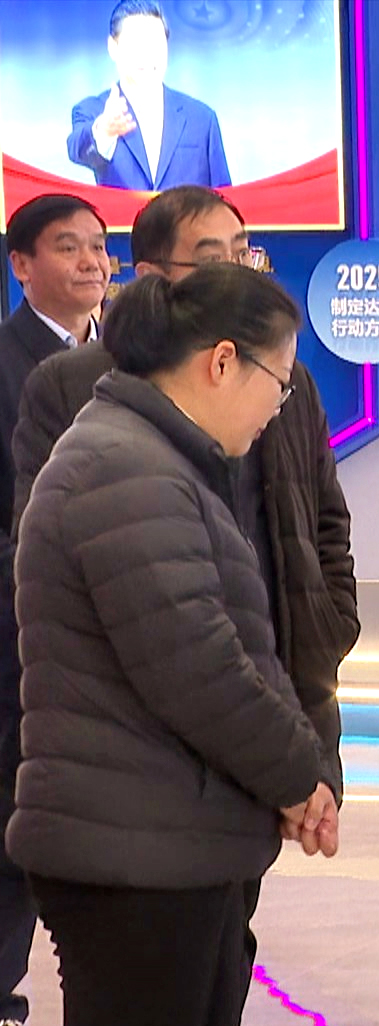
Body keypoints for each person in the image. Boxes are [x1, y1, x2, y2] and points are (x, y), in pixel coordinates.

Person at [9, 183, 359, 995]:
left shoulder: (161, 454)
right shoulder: (125, 467)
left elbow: (309, 544)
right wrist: (296, 776)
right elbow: (196, 663)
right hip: (135, 839)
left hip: (181, 821)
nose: (279, 405)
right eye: (276, 383)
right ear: (222, 361)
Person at [0, 192, 111, 1026]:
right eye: (67, 246)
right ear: (22, 265)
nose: (89, 262)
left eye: (98, 246)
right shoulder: (7, 362)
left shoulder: (132, 360)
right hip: (19, 636)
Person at [67, 0, 231, 190]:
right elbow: (78, 150)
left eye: (156, 44)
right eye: (136, 44)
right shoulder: (94, 110)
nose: (147, 55)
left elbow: (224, 198)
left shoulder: (201, 118)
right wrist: (104, 131)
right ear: (113, 47)